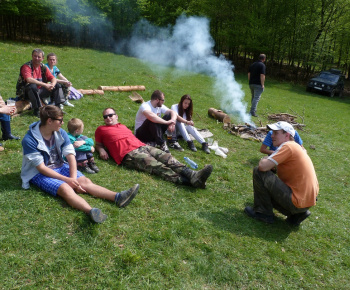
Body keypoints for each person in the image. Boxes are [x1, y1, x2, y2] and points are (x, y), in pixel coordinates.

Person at [21, 105, 139, 223]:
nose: (62, 123)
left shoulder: (59, 132)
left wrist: (72, 179)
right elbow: (41, 168)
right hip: (39, 173)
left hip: (60, 165)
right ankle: (91, 211)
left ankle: (118, 197)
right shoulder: (30, 140)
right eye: (60, 120)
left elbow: (70, 155)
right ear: (49, 121)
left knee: (86, 182)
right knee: (65, 189)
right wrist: (67, 181)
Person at [96, 108, 213, 188]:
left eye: (110, 115)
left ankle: (192, 174)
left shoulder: (122, 126)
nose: (108, 118)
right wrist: (101, 150)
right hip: (128, 154)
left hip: (143, 146)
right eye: (105, 116)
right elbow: (98, 144)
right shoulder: (101, 130)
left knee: (166, 156)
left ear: (116, 116)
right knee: (156, 166)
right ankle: (189, 181)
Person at [244, 121, 319, 226]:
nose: (272, 135)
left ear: (287, 135)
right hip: (306, 201)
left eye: (276, 133)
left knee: (258, 171)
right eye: (272, 132)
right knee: (269, 172)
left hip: (297, 201)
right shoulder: (296, 147)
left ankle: (263, 213)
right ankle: (297, 215)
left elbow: (263, 166)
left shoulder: (288, 146)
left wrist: (264, 158)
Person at [16, 48, 66, 117]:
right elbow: (29, 79)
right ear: (32, 56)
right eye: (35, 56)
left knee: (57, 85)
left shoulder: (43, 67)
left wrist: (52, 84)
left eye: (39, 57)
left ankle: (58, 108)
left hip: (39, 91)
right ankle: (37, 110)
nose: (36, 58)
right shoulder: (26, 66)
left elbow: (53, 78)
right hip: (26, 92)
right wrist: (45, 85)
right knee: (32, 86)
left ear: (42, 58)